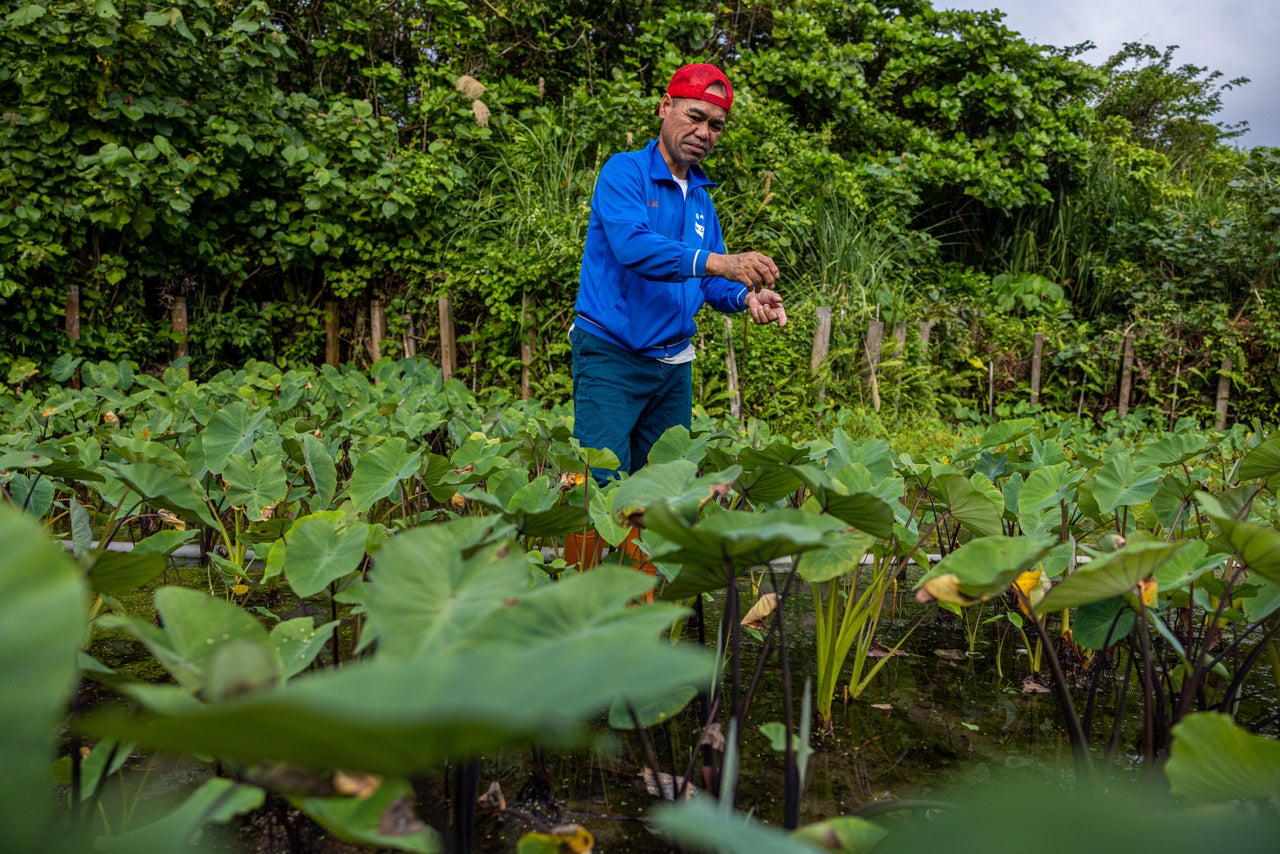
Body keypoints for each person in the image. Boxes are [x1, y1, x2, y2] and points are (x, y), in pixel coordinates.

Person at [565, 63, 787, 585]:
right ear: (665, 108)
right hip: (612, 355)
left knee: (663, 490)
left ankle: (641, 606)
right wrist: (720, 263)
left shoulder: (702, 200)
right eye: (695, 116)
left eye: (716, 125)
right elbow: (633, 247)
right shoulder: (624, 172)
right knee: (596, 484)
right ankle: (578, 606)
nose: (704, 133)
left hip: (672, 366)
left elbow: (712, 283)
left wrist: (747, 297)